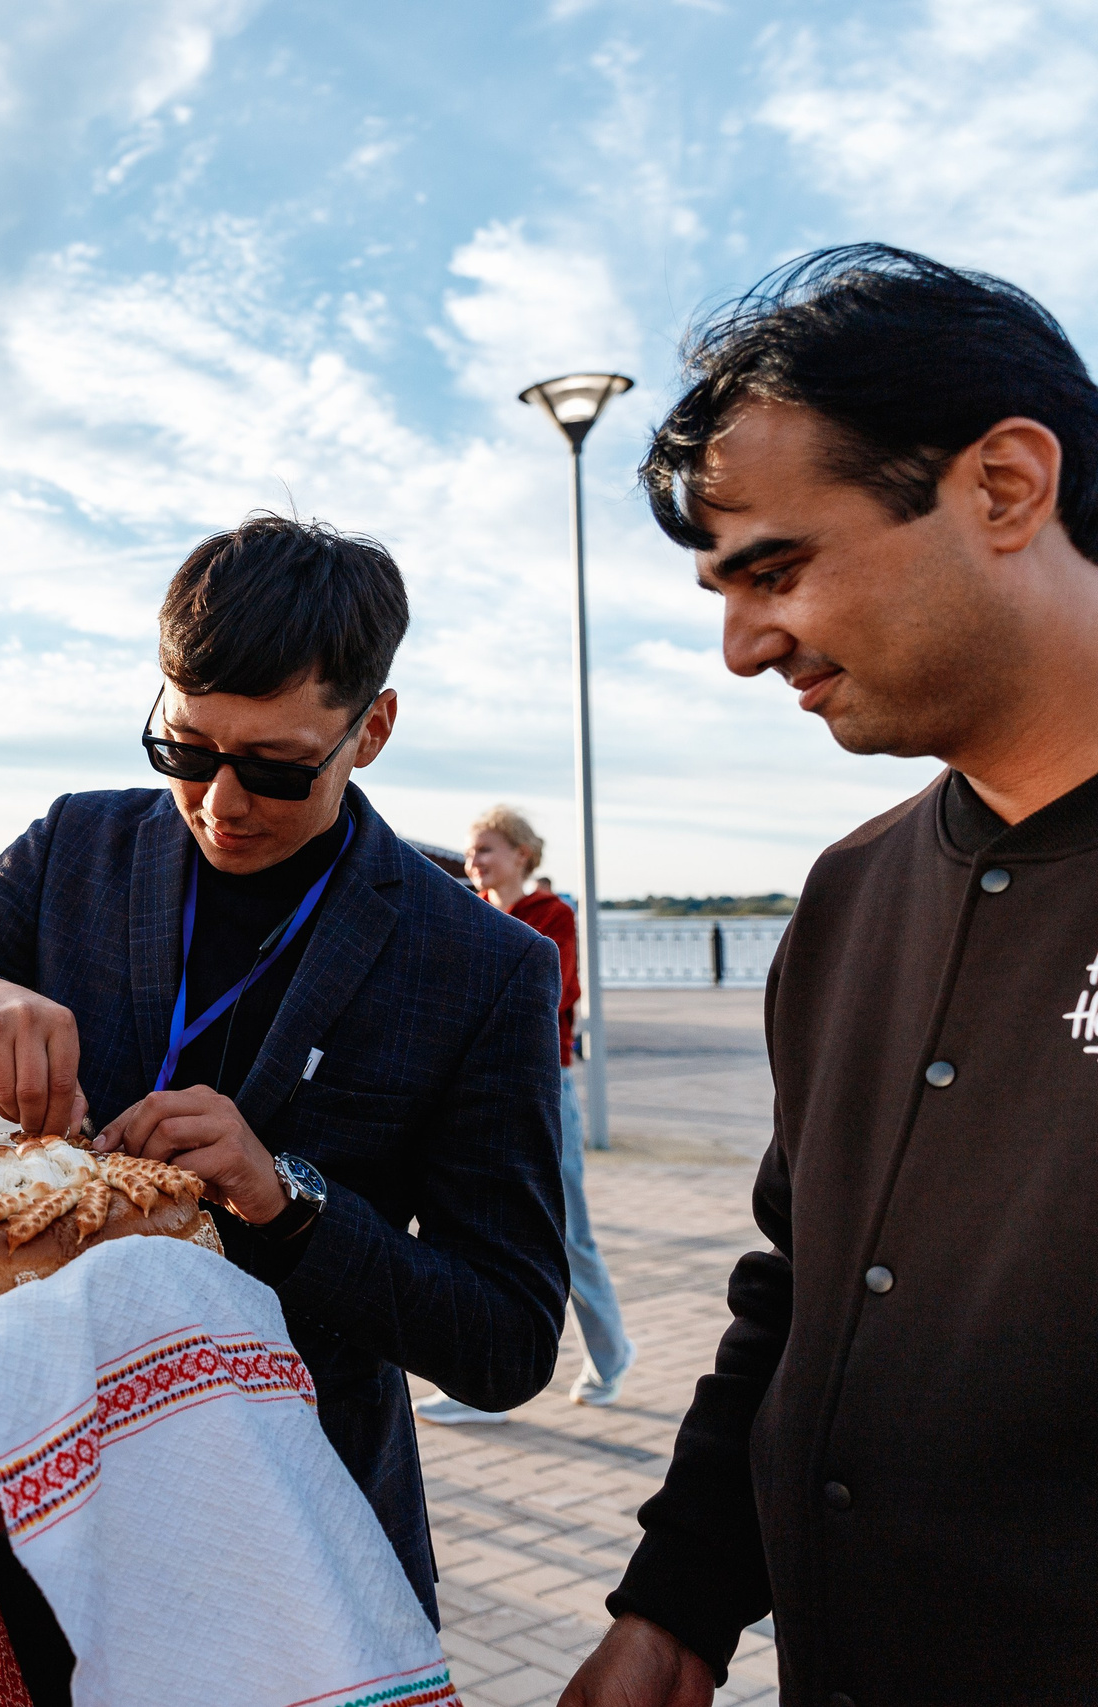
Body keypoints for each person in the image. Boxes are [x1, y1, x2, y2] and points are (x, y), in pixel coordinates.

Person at [0, 515, 570, 1639]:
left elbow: (507, 1342)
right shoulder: (76, 846)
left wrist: (288, 1201)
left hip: (297, 1549)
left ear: (372, 731)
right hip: (39, 1528)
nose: (218, 801)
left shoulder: (481, 964)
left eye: (273, 767)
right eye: (183, 749)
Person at [560, 247, 1098, 1707]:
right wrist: (675, 1607)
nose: (743, 647)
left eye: (776, 570)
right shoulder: (851, 893)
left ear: (1003, 486)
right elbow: (801, 1286)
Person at [416, 806, 634, 1426]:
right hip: (466, 1089)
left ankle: (611, 1354)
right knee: (469, 1228)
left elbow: (551, 994)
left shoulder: (552, 916)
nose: (472, 861)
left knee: (568, 1234)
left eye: (485, 849)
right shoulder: (471, 911)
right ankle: (475, 1385)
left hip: (543, 1088)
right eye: (470, 849)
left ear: (520, 854)